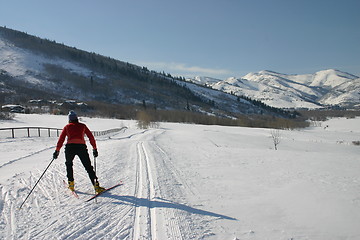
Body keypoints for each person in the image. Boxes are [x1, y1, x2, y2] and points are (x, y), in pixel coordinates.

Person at [53, 110, 105, 193]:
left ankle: (71, 184)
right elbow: (91, 137)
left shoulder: (67, 127)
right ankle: (96, 186)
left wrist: (57, 151)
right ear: (76, 118)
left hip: (70, 148)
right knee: (88, 167)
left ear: (69, 119)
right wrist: (94, 148)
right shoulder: (83, 126)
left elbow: (61, 140)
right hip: (81, 148)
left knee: (69, 164)